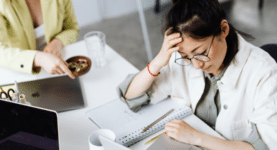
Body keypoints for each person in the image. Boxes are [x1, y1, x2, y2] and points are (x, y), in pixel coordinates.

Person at [117, 0, 276, 149]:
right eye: (186, 57)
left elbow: (266, 146)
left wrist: (196, 137)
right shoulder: (181, 58)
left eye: (200, 52)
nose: (196, 65)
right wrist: (159, 60)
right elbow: (131, 97)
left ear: (223, 30)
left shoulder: (264, 73)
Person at [0, 0, 78, 79]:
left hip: (50, 68)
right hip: (7, 71)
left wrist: (58, 42)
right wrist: (38, 58)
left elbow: (72, 28)